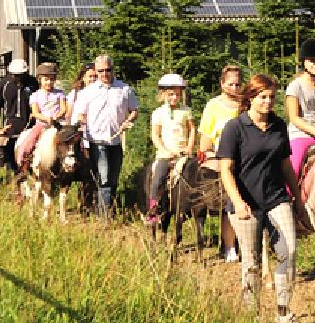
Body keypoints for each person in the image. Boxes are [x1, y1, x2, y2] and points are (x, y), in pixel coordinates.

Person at [216, 74, 303, 323]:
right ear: (251, 98)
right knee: (252, 261)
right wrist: (238, 201)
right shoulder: (236, 128)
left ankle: (283, 310)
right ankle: (251, 314)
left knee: (290, 251)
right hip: (246, 203)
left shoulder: (278, 126)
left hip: (276, 198)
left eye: (272, 97)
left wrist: (297, 198)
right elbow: (225, 169)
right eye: (262, 97)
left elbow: (286, 164)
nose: (268, 102)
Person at [70, 54, 139, 220]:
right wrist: (84, 122)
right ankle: (104, 216)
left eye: (108, 70)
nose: (104, 74)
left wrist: (128, 120)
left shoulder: (124, 89)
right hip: (97, 141)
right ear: (96, 71)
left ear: (112, 69)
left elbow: (134, 110)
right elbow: (79, 114)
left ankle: (106, 209)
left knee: (113, 178)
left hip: (116, 141)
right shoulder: (88, 92)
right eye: (100, 71)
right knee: (105, 178)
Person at [198, 64, 246, 262]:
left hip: (246, 158)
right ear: (222, 84)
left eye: (238, 84)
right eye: (230, 84)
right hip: (223, 158)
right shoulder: (213, 106)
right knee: (230, 201)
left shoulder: (246, 104)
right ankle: (229, 245)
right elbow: (205, 142)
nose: (235, 88)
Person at [146, 73, 197, 225]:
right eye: (171, 94)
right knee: (158, 179)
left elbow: (192, 129)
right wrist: (164, 150)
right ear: (163, 94)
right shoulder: (158, 113)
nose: (174, 97)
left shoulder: (186, 111)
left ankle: (193, 208)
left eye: (177, 94)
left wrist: (189, 147)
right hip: (166, 154)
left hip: (183, 153)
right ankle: (153, 210)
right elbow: (155, 135)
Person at [284, 41, 315, 179]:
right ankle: (288, 196)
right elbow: (294, 118)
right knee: (294, 167)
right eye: (312, 61)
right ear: (304, 62)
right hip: (301, 134)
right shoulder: (295, 86)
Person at [17, 62, 70, 171]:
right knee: (28, 141)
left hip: (58, 125)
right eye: (46, 79)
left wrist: (56, 117)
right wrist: (46, 118)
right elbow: (35, 112)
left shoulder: (59, 93)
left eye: (52, 79)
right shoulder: (35, 95)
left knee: (71, 139)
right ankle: (23, 161)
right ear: (39, 80)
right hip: (42, 124)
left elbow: (64, 109)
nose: (49, 82)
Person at [0, 59, 38, 182]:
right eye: (16, 75)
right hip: (10, 127)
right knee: (10, 155)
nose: (18, 78)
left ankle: (28, 179)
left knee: (29, 154)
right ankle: (12, 181)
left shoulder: (33, 84)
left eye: (21, 75)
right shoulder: (3, 85)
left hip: (29, 126)